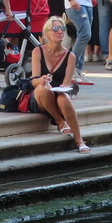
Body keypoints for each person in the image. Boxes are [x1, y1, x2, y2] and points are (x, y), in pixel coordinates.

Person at [29, 16, 90, 153]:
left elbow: (67, 83)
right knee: (42, 88)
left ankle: (79, 140)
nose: (60, 31)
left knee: (64, 98)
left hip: (58, 93)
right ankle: (60, 122)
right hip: (41, 97)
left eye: (62, 28)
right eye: (55, 29)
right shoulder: (37, 51)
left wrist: (63, 88)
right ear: (47, 34)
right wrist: (42, 80)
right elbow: (33, 81)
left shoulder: (70, 56)